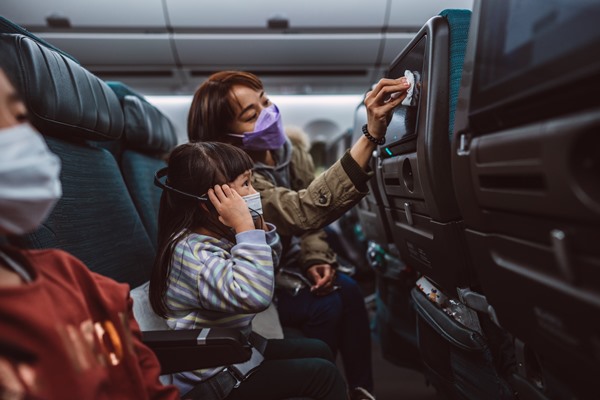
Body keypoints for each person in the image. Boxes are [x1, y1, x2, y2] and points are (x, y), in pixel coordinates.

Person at [186, 71, 410, 400]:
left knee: (347, 291)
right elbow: (302, 209)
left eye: (264, 100)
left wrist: (315, 256)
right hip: (254, 274)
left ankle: (361, 390)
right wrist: (370, 136)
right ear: (225, 136)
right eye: (251, 115)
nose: (268, 112)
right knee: (328, 303)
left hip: (286, 260)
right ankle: (316, 387)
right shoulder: (236, 182)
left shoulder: (289, 152)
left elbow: (310, 223)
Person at [0, 68, 179, 399]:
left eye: (22, 114)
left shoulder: (70, 276)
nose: (28, 136)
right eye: (7, 117)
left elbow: (140, 379)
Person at [149, 141, 348, 400]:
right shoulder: (192, 254)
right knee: (323, 375)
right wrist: (245, 230)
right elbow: (255, 294)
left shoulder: (218, 234)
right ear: (211, 201)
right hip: (213, 376)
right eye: (246, 184)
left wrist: (257, 229)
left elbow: (266, 267)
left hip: (233, 353)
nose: (253, 191)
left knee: (318, 349)